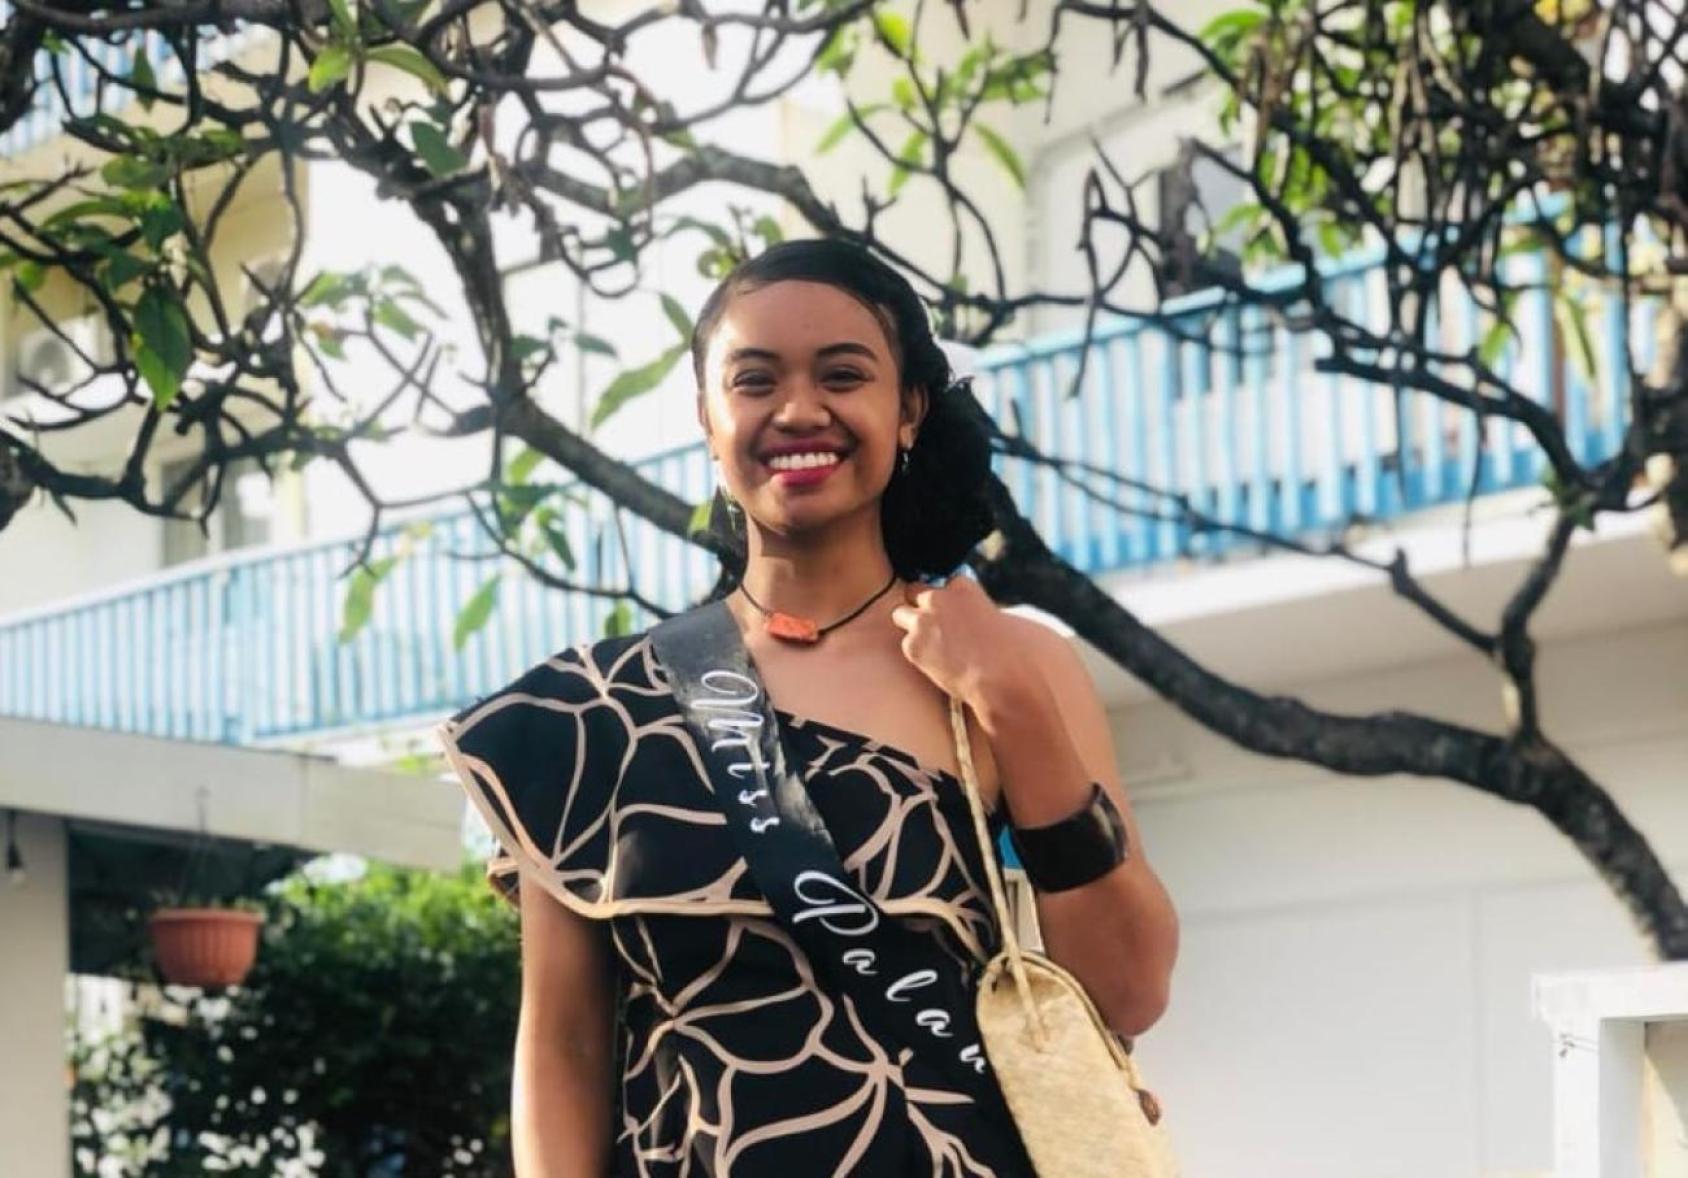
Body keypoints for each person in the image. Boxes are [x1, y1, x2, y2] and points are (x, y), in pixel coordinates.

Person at [436, 238, 1180, 1177]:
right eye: (754, 381)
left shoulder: (1015, 663)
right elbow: (563, 1043)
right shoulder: (592, 713)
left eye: (842, 375)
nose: (797, 410)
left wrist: (1013, 703)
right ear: (707, 417)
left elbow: (1128, 990)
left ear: (907, 410)